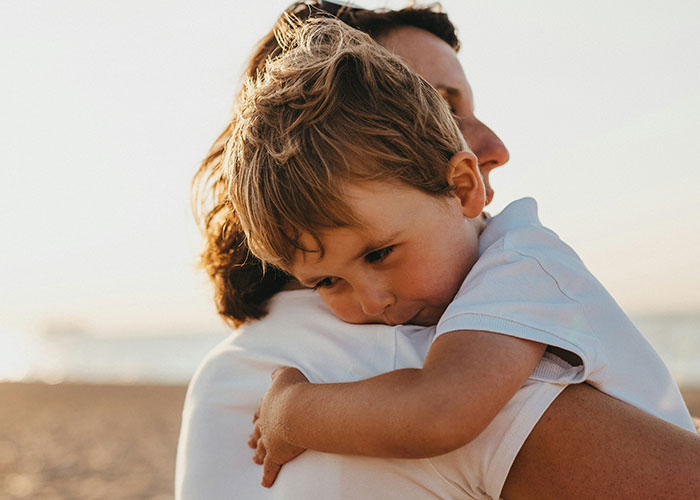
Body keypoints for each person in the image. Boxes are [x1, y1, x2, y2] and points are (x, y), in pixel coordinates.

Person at [176, 3, 700, 499]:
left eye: (379, 254)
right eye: (439, 105)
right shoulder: (399, 349)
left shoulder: (516, 266)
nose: (372, 303)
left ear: (461, 185)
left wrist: (292, 411)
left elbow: (442, 407)